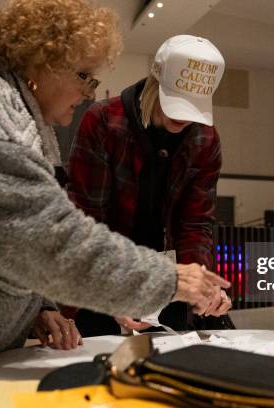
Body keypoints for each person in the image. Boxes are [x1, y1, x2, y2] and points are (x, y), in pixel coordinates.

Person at [0, 0, 229, 389]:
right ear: (42, 64)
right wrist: (168, 281)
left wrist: (37, 306)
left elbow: (5, 236)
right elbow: (53, 244)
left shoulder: (0, 101)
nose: (87, 91)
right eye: (84, 75)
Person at [67, 35, 232, 336]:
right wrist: (114, 290)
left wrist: (202, 282)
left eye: (192, 108)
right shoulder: (104, 121)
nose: (183, 118)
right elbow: (87, 220)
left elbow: (195, 223)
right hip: (100, 279)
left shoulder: (204, 139)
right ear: (155, 81)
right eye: (176, 104)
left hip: (169, 283)